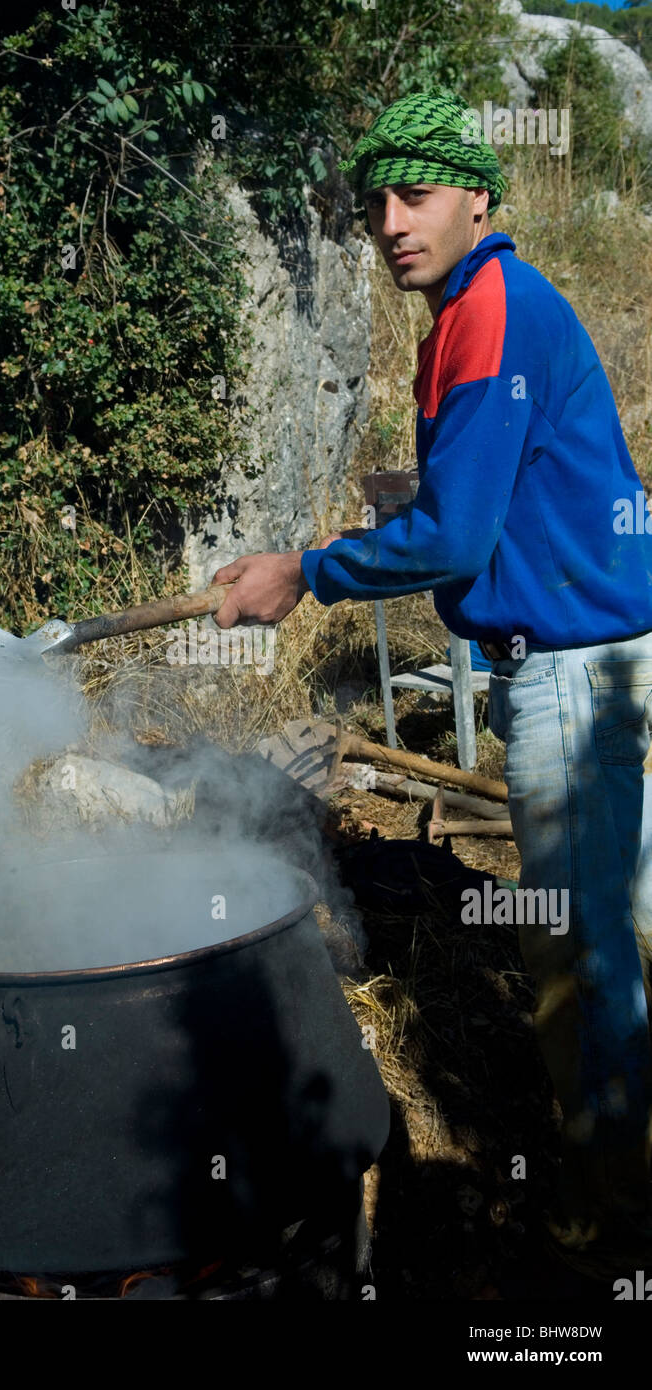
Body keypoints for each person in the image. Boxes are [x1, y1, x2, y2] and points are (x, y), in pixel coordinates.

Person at [211, 90, 652, 1288]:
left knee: (575, 953)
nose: (390, 222)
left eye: (415, 195)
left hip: (565, 675)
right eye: (374, 204)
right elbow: (492, 494)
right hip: (588, 662)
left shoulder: (490, 310)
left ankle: (607, 1218)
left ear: (477, 199)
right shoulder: (476, 306)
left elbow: (455, 541)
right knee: (617, 921)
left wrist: (301, 575)